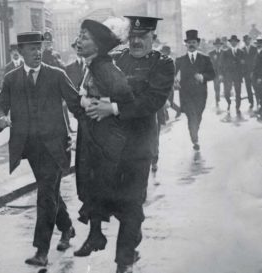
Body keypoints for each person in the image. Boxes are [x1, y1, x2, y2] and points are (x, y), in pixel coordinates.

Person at [81, 16, 175, 273]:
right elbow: (92, 85)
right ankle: (129, 235)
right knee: (114, 202)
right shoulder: (116, 59)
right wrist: (88, 102)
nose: (136, 42)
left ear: (152, 39)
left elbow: (152, 101)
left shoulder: (163, 64)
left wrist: (112, 107)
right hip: (110, 145)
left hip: (140, 145)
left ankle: (123, 262)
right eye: (132, 37)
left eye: (142, 38)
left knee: (132, 202)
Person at [0, 31, 84, 267]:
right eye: (31, 48)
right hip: (30, 148)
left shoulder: (56, 75)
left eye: (39, 47)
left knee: (45, 194)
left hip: (57, 146)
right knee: (50, 191)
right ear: (20, 52)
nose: (37, 52)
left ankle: (41, 250)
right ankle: (67, 227)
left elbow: (76, 104)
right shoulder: (11, 79)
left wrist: (91, 132)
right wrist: (0, 119)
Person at [73, 17, 135, 262]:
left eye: (85, 37)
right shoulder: (92, 64)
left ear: (97, 45)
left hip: (106, 140)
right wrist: (84, 102)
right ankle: (96, 234)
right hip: (92, 137)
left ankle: (131, 234)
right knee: (94, 188)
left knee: (107, 192)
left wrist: (106, 106)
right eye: (80, 36)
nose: (78, 41)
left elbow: (127, 100)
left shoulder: (104, 67)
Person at [175, 30, 215, 151]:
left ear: (198, 44)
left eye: (193, 42)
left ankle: (194, 132)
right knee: (191, 116)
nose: (191, 44)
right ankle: (194, 138)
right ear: (186, 44)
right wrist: (175, 81)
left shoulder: (205, 59)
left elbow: (212, 74)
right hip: (186, 94)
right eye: (189, 42)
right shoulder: (180, 60)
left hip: (200, 94)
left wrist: (203, 77)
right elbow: (172, 74)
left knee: (198, 115)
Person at [220, 35, 245, 115]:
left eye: (235, 41)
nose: (233, 43)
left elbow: (244, 64)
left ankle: (237, 107)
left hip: (237, 75)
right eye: (232, 41)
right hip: (228, 75)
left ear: (237, 42)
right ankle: (229, 102)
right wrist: (221, 74)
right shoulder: (225, 52)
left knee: (238, 92)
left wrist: (242, 69)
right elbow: (221, 64)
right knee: (227, 92)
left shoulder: (241, 52)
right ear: (230, 43)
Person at [242, 34, 258, 109]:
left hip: (254, 72)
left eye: (248, 40)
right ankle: (251, 102)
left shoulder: (255, 49)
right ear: (244, 41)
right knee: (248, 88)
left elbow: (257, 61)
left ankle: (258, 102)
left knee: (256, 88)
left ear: (250, 40)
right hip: (246, 73)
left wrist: (254, 71)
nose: (247, 41)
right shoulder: (242, 50)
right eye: (245, 40)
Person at [209, 38, 224, 108]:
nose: (218, 46)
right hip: (215, 73)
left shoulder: (224, 52)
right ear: (214, 45)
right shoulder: (211, 53)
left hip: (224, 73)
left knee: (227, 87)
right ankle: (217, 100)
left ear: (221, 45)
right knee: (216, 87)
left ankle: (226, 100)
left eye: (219, 45)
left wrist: (223, 73)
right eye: (216, 45)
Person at [252, 36, 262, 119]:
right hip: (255, 77)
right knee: (258, 93)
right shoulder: (257, 52)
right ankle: (260, 109)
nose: (258, 44)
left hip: (260, 77)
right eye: (257, 43)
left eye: (260, 43)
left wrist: (260, 77)